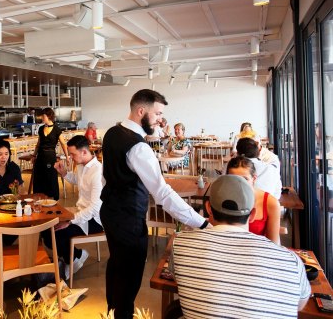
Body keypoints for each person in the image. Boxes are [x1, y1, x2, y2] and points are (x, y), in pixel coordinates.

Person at [100, 89, 208, 319]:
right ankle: (122, 314)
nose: (160, 119)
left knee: (117, 264)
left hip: (109, 211)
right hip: (128, 218)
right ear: (141, 111)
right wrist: (201, 223)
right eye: (157, 113)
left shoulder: (111, 133)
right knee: (130, 273)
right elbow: (163, 194)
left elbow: (106, 176)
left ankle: (112, 311)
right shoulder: (139, 147)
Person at [170, 175, 310, 318]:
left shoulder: (180, 245)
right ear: (253, 214)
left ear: (208, 209)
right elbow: (299, 305)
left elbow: (179, 281)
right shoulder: (292, 262)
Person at [44, 135, 104, 280]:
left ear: (84, 152)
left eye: (72, 154)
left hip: (96, 219)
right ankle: (71, 257)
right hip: (81, 211)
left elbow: (95, 208)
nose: (70, 157)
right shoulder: (83, 166)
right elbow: (78, 180)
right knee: (46, 228)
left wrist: (70, 221)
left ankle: (75, 256)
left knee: (57, 232)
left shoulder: (98, 172)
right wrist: (64, 173)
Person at [227, 156, 281, 244]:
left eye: (245, 179)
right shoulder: (222, 197)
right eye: (234, 179)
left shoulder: (270, 203)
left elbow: (274, 243)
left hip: (258, 253)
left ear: (254, 179)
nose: (239, 184)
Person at [32, 108, 68, 200]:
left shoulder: (56, 129)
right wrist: (34, 155)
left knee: (50, 176)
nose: (42, 118)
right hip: (40, 156)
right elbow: (38, 144)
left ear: (48, 116)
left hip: (50, 156)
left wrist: (67, 156)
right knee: (39, 177)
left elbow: (63, 143)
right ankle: (39, 196)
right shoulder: (41, 128)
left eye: (43, 116)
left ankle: (52, 197)